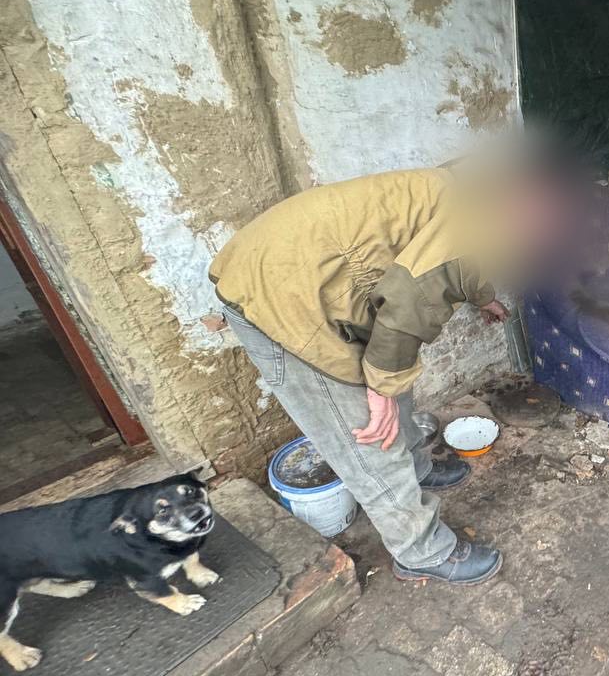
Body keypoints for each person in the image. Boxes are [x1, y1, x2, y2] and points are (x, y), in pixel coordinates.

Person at [210, 163, 557, 586]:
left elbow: (454, 265)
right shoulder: (483, 232)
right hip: (283, 296)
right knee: (372, 434)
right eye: (544, 231)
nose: (540, 244)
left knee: (393, 378)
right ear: (525, 211)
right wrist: (378, 392)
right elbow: (408, 304)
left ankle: (416, 468)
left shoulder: (482, 193)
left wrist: (483, 299)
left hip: (300, 269)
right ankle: (421, 552)